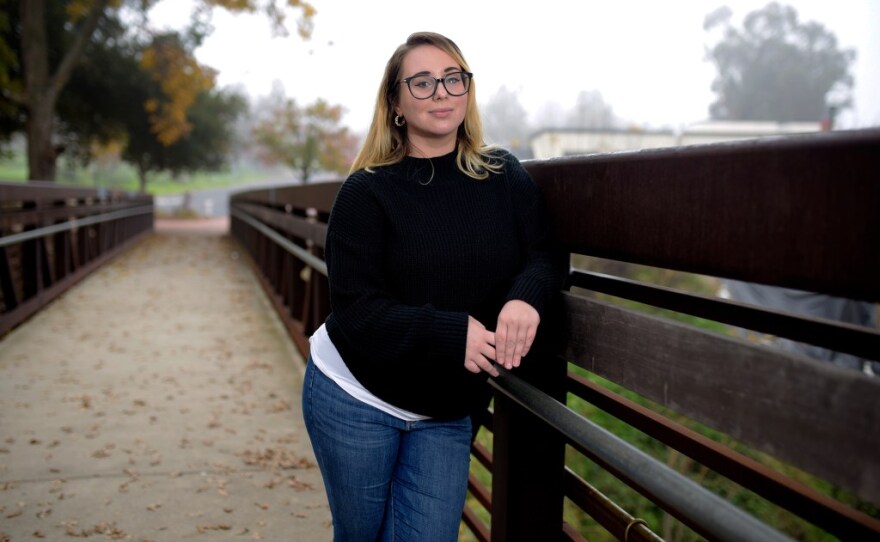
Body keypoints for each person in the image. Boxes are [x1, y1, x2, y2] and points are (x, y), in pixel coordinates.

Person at [301, 31, 562, 541]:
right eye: (422, 83)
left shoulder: (502, 175)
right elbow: (357, 311)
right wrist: (450, 333)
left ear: (467, 90)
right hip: (356, 394)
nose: (441, 93)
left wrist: (524, 298)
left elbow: (543, 252)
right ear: (396, 102)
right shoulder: (367, 191)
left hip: (446, 409)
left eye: (452, 79)